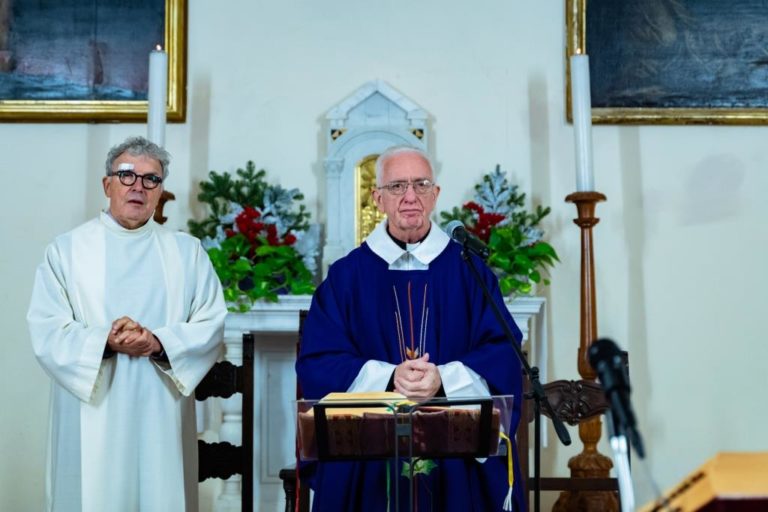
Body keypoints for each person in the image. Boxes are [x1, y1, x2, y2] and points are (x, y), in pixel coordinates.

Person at [296, 146, 525, 511]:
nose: (409, 197)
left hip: (455, 449)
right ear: (377, 198)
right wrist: (389, 377)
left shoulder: (470, 272)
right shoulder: (346, 276)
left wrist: (443, 379)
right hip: (367, 451)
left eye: (421, 185)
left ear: (435, 195)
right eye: (397, 186)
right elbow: (319, 361)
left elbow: (504, 353)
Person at [27, 136, 227, 512]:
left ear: (160, 191)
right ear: (107, 185)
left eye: (150, 179)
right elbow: (47, 329)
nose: (138, 186)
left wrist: (157, 341)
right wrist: (105, 341)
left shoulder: (187, 252)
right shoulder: (67, 251)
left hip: (161, 413)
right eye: (126, 175)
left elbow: (211, 323)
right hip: (89, 410)